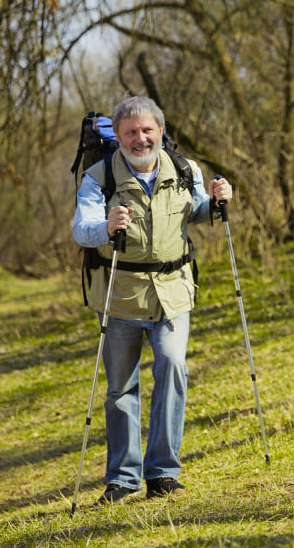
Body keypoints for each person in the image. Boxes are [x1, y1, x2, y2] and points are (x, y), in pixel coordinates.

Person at [72, 96, 232, 504]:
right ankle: (123, 479)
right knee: (120, 388)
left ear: (161, 131)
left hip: (173, 291)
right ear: (119, 137)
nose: (140, 139)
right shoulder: (98, 177)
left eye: (147, 130)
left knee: (173, 367)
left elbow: (195, 210)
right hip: (120, 294)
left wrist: (215, 201)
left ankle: (162, 473)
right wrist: (105, 227)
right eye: (130, 132)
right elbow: (81, 229)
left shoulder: (184, 168)